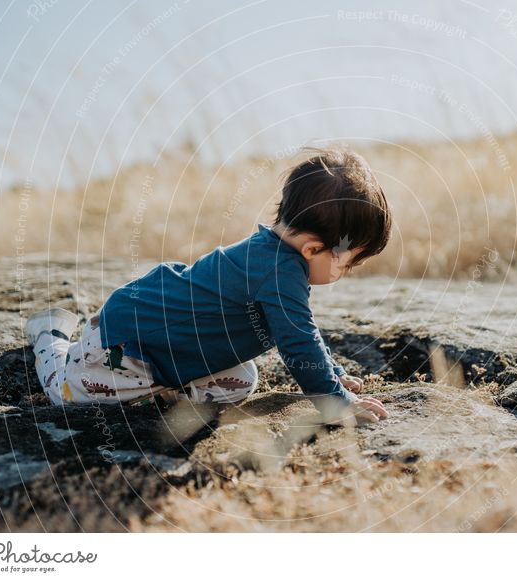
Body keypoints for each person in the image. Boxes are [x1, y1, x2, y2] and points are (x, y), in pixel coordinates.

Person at [25, 147, 391, 424]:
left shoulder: (280, 261)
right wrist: (335, 399)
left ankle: (159, 387)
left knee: (242, 381)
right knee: (72, 395)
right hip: (129, 340)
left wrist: (335, 374)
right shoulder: (278, 270)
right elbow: (298, 341)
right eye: (348, 262)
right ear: (313, 248)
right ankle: (51, 338)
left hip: (171, 348)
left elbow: (299, 332)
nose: (347, 271)